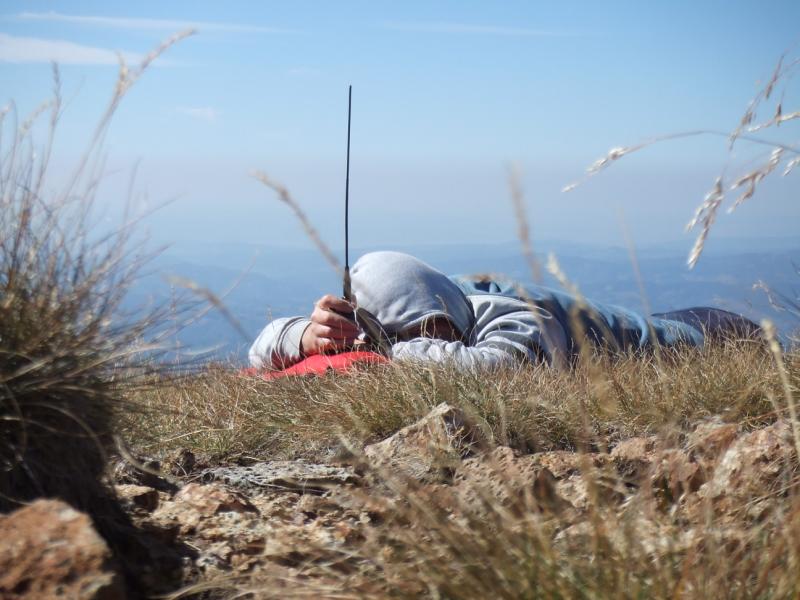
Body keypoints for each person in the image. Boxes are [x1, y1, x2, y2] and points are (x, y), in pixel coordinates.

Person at [249, 251, 761, 371]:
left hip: (700, 335)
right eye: (417, 333)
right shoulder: (424, 315)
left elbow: (499, 367)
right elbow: (261, 347)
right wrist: (309, 336)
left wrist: (389, 353)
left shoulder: (506, 313)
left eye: (436, 327)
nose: (438, 340)